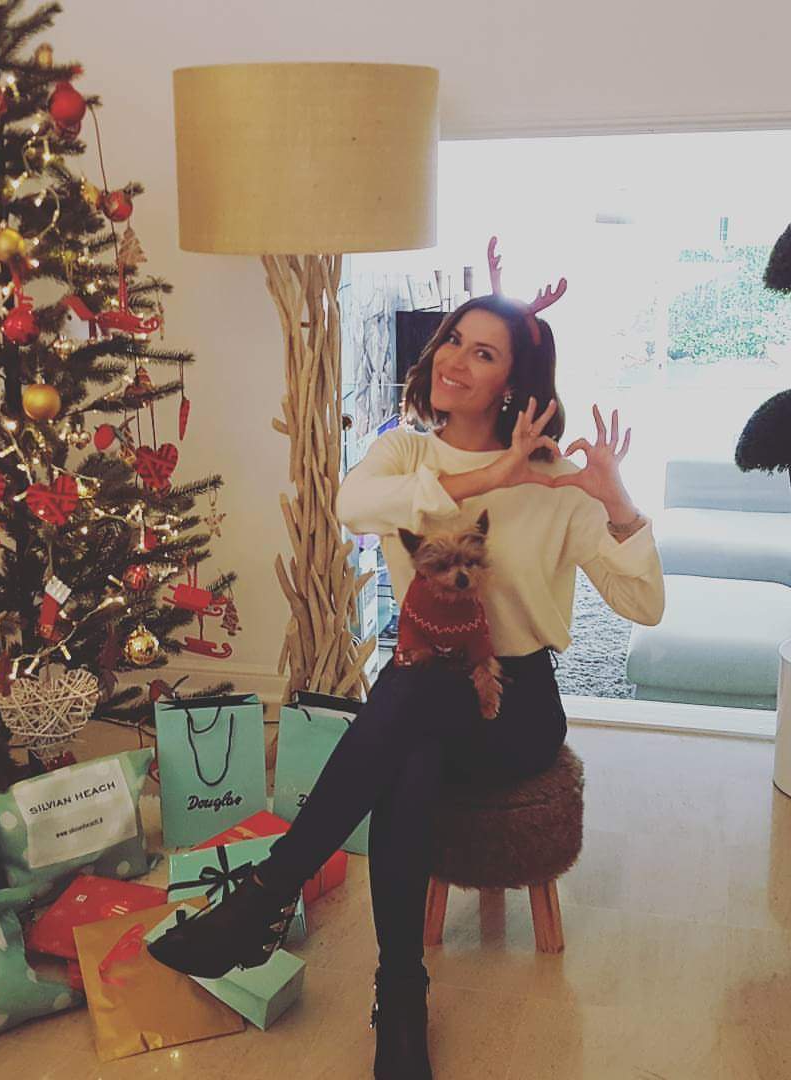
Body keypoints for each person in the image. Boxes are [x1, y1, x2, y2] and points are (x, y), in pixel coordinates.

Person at [148, 291, 666, 1079]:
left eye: (484, 353)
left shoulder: (557, 483)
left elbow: (644, 606)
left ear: (512, 383)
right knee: (411, 751)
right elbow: (351, 505)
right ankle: (399, 998)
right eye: (454, 339)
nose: (455, 359)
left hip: (513, 701)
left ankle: (266, 898)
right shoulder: (402, 454)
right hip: (423, 686)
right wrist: (485, 475)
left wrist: (619, 505)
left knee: (407, 710)